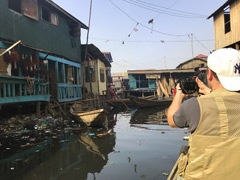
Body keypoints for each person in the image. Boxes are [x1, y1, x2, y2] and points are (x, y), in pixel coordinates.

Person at [167, 48, 240, 180]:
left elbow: (172, 121)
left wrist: (179, 94)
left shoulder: (194, 106)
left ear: (210, 74)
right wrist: (209, 92)